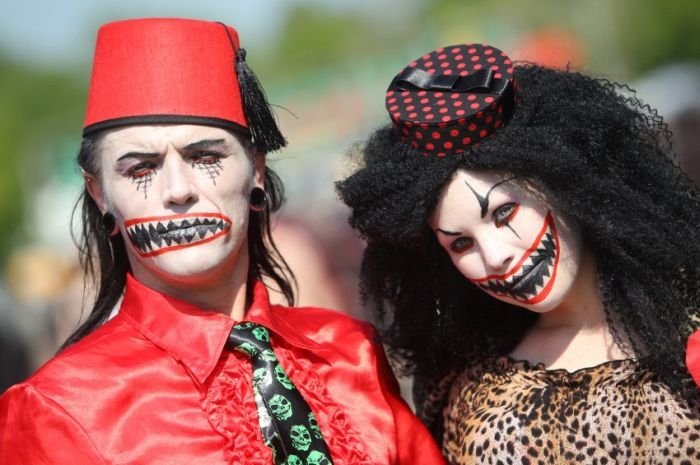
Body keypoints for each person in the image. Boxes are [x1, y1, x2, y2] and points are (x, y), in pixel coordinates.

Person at [0, 18, 445, 465]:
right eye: (140, 169)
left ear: (255, 168)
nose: (177, 190)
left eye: (205, 156)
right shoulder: (56, 406)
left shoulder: (351, 351)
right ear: (100, 194)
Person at [337, 43, 700, 464]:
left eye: (504, 212)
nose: (495, 256)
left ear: (563, 181)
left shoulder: (689, 327)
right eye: (460, 243)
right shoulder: (464, 390)